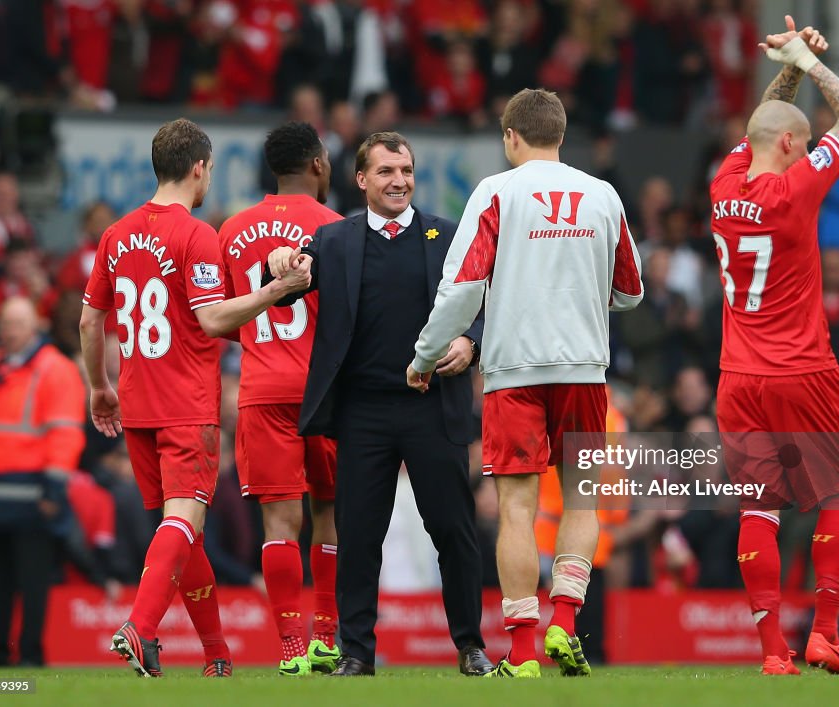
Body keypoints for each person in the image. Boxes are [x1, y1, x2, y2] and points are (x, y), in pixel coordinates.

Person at [407, 88, 644, 678]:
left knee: (517, 508)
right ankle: (566, 619)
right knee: (581, 498)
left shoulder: (496, 192)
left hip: (514, 374)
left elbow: (461, 287)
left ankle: (523, 650)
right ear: (560, 136)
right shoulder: (604, 195)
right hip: (584, 371)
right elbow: (631, 290)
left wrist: (424, 355)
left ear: (510, 137)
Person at [78, 118, 309, 678]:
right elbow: (209, 319)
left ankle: (216, 655)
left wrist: (98, 388)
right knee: (183, 522)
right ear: (200, 168)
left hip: (135, 404)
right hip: (185, 404)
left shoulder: (115, 235)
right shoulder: (196, 234)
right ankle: (140, 627)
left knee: (184, 532)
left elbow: (89, 320)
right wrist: (275, 291)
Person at [265, 131, 493, 677]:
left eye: (407, 171)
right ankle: (357, 652)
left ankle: (470, 645)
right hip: (362, 412)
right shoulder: (334, 239)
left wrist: (472, 340)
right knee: (359, 535)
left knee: (454, 531)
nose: (399, 181)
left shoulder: (446, 234)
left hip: (431, 404)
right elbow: (287, 283)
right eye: (387, 171)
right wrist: (276, 262)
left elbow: (485, 296)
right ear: (361, 179)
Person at [709, 16, 839, 675]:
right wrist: (811, 61)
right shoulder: (797, 188)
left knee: (759, 507)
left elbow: (762, 123)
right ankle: (825, 631)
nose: (811, 154)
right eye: (804, 145)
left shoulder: (724, 184)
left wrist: (793, 70)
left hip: (738, 377)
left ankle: (773, 649)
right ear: (789, 144)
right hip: (804, 370)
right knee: (838, 497)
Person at [218, 122, 342, 676]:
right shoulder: (339, 228)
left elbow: (220, 316)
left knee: (280, 525)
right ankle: (327, 638)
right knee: (331, 514)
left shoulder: (233, 229)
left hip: (263, 389)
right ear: (318, 164)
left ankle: (290, 649)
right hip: (327, 391)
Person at [0, 297, 86, 666]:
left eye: (15, 325)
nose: (8, 332)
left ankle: (31, 654)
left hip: (32, 492)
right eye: (5, 324)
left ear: (34, 328)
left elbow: (64, 433)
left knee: (32, 582)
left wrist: (54, 487)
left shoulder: (54, 370)